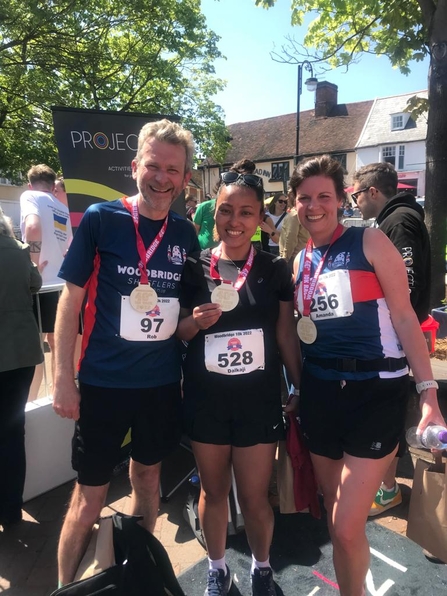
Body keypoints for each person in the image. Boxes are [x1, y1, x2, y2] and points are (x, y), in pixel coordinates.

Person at [52, 119, 200, 587]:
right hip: (102, 384)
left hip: (159, 385)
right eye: (153, 165)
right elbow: (70, 300)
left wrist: (210, 314)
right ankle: (63, 588)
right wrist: (62, 379)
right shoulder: (100, 218)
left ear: (185, 178)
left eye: (172, 169)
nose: (162, 177)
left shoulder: (184, 233)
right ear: (135, 166)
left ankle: (134, 579)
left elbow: (186, 317)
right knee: (89, 498)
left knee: (149, 482)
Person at [290, 155, 444, 596]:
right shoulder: (300, 260)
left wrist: (429, 395)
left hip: (375, 392)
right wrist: (300, 389)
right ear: (294, 203)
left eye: (324, 196)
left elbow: (404, 317)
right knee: (338, 517)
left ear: (341, 200)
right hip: (321, 393)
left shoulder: (370, 243)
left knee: (344, 524)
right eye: (304, 198)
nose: (313, 206)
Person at [177, 165, 302, 596]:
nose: (234, 221)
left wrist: (298, 386)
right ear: (215, 216)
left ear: (259, 218)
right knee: (213, 493)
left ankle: (261, 567)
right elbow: (177, 332)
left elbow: (285, 333)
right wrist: (193, 323)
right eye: (226, 211)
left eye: (246, 213)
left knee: (254, 498)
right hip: (206, 401)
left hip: (258, 402)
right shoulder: (194, 267)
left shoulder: (273, 269)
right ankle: (217, 568)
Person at [352, 161, 431, 516]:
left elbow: (406, 284)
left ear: (372, 192)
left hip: (397, 338)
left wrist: (397, 330)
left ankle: (387, 489)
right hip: (400, 333)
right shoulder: (399, 217)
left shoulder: (397, 222)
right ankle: (386, 485)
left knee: (386, 412)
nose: (354, 203)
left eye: (355, 195)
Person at [0, 211, 43, 526]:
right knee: (14, 432)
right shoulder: (18, 250)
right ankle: (11, 509)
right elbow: (36, 283)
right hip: (21, 353)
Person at [20, 164, 73, 397]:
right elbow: (67, 246)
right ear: (54, 186)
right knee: (56, 344)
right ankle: (53, 394)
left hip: (37, 283)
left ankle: (29, 401)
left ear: (30, 184)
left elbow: (32, 227)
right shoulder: (61, 207)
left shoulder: (29, 196)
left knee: (32, 348)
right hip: (59, 283)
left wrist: (33, 263)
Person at [279, 191, 310, 266]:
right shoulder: (304, 213)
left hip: (293, 257)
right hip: (304, 254)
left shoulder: (293, 215)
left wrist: (285, 258)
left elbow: (291, 238)